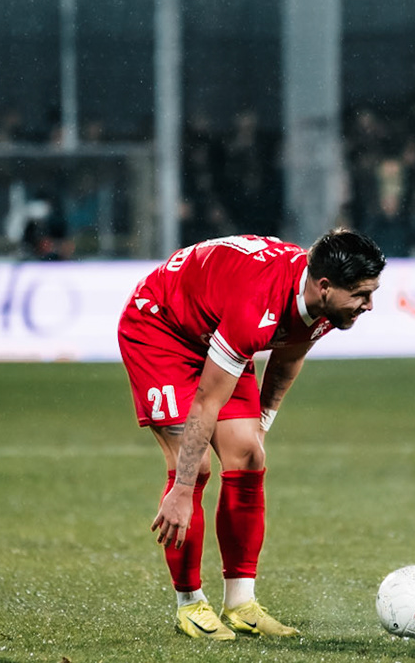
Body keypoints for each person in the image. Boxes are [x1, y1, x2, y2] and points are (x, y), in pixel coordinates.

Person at [118, 229, 384, 641]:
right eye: (362, 294)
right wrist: (183, 488)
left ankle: (241, 604)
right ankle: (190, 604)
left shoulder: (326, 306)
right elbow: (206, 402)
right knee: (196, 466)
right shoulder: (257, 304)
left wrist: (262, 424)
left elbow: (289, 355)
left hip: (213, 329)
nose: (369, 305)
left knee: (248, 454)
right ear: (326, 286)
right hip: (161, 329)